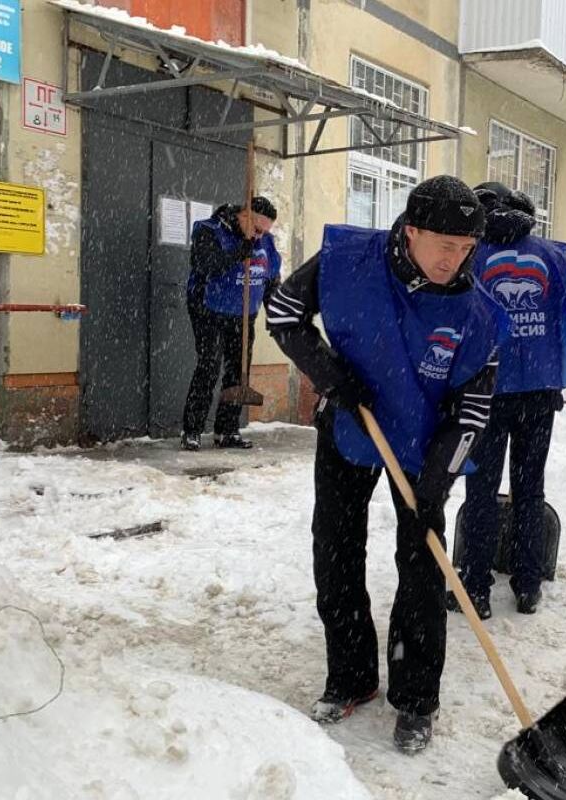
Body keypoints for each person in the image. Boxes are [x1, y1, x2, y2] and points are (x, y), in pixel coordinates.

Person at [263, 176, 507, 753]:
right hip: (353, 424)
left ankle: (417, 698)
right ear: (410, 230)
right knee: (337, 550)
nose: (456, 259)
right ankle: (350, 677)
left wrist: (437, 481)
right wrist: (329, 374)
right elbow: (283, 312)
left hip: (425, 441)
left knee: (423, 564)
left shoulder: (478, 313)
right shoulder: (349, 261)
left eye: (467, 247)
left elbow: (474, 408)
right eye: (444, 244)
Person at [447, 182, 566, 620]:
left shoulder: (471, 254)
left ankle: (475, 587)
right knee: (530, 489)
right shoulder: (553, 256)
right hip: (540, 394)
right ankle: (527, 585)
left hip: (486, 392)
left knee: (481, 489)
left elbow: (454, 323)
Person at [181, 196, 280, 451]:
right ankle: (192, 430)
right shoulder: (209, 230)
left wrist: (278, 315)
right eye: (257, 229)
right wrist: (238, 253)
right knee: (209, 366)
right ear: (244, 215)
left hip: (244, 313)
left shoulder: (265, 242)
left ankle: (226, 430)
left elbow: (270, 280)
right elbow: (206, 266)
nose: (260, 237)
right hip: (209, 309)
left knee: (238, 370)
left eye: (264, 231)